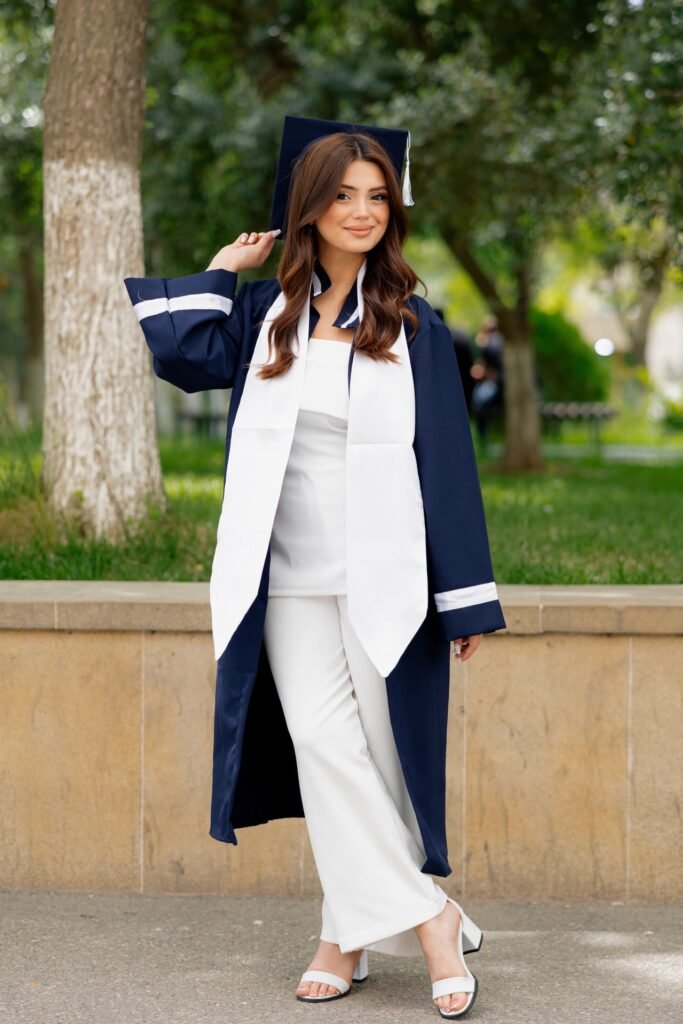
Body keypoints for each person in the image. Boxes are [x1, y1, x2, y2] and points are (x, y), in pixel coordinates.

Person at [124, 114, 506, 1020]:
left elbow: (445, 466)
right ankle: (432, 919)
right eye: (342, 195)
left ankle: (341, 938)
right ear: (308, 206)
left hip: (387, 575)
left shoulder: (413, 323)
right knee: (328, 752)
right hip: (284, 572)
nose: (363, 210)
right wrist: (225, 270)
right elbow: (180, 356)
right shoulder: (264, 315)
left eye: (377, 196)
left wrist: (464, 601)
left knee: (378, 760)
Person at [471, 314, 505, 440]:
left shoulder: (489, 343)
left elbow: (482, 369)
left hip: (495, 383)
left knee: (478, 401)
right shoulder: (503, 341)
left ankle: (483, 436)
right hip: (501, 385)